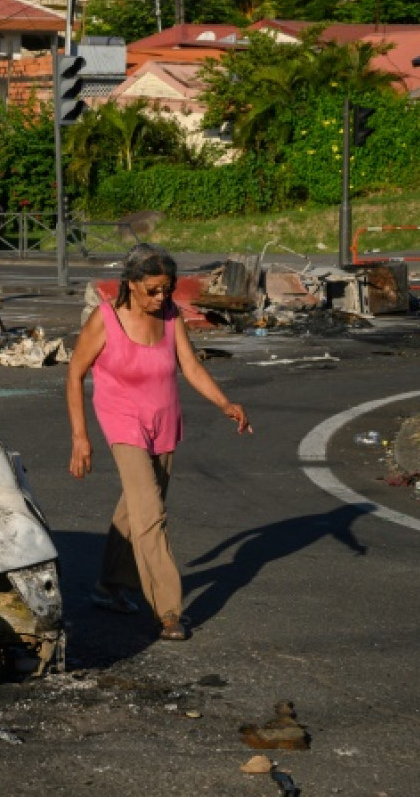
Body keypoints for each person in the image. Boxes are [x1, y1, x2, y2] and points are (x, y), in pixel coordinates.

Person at [66, 243, 251, 642]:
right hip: (122, 422)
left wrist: (224, 402)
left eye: (166, 289)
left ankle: (108, 586)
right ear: (130, 284)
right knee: (151, 515)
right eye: (152, 289)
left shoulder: (170, 317)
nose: (161, 297)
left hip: (164, 421)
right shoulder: (105, 320)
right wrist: (80, 437)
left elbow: (190, 366)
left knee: (135, 509)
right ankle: (168, 611)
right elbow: (74, 374)